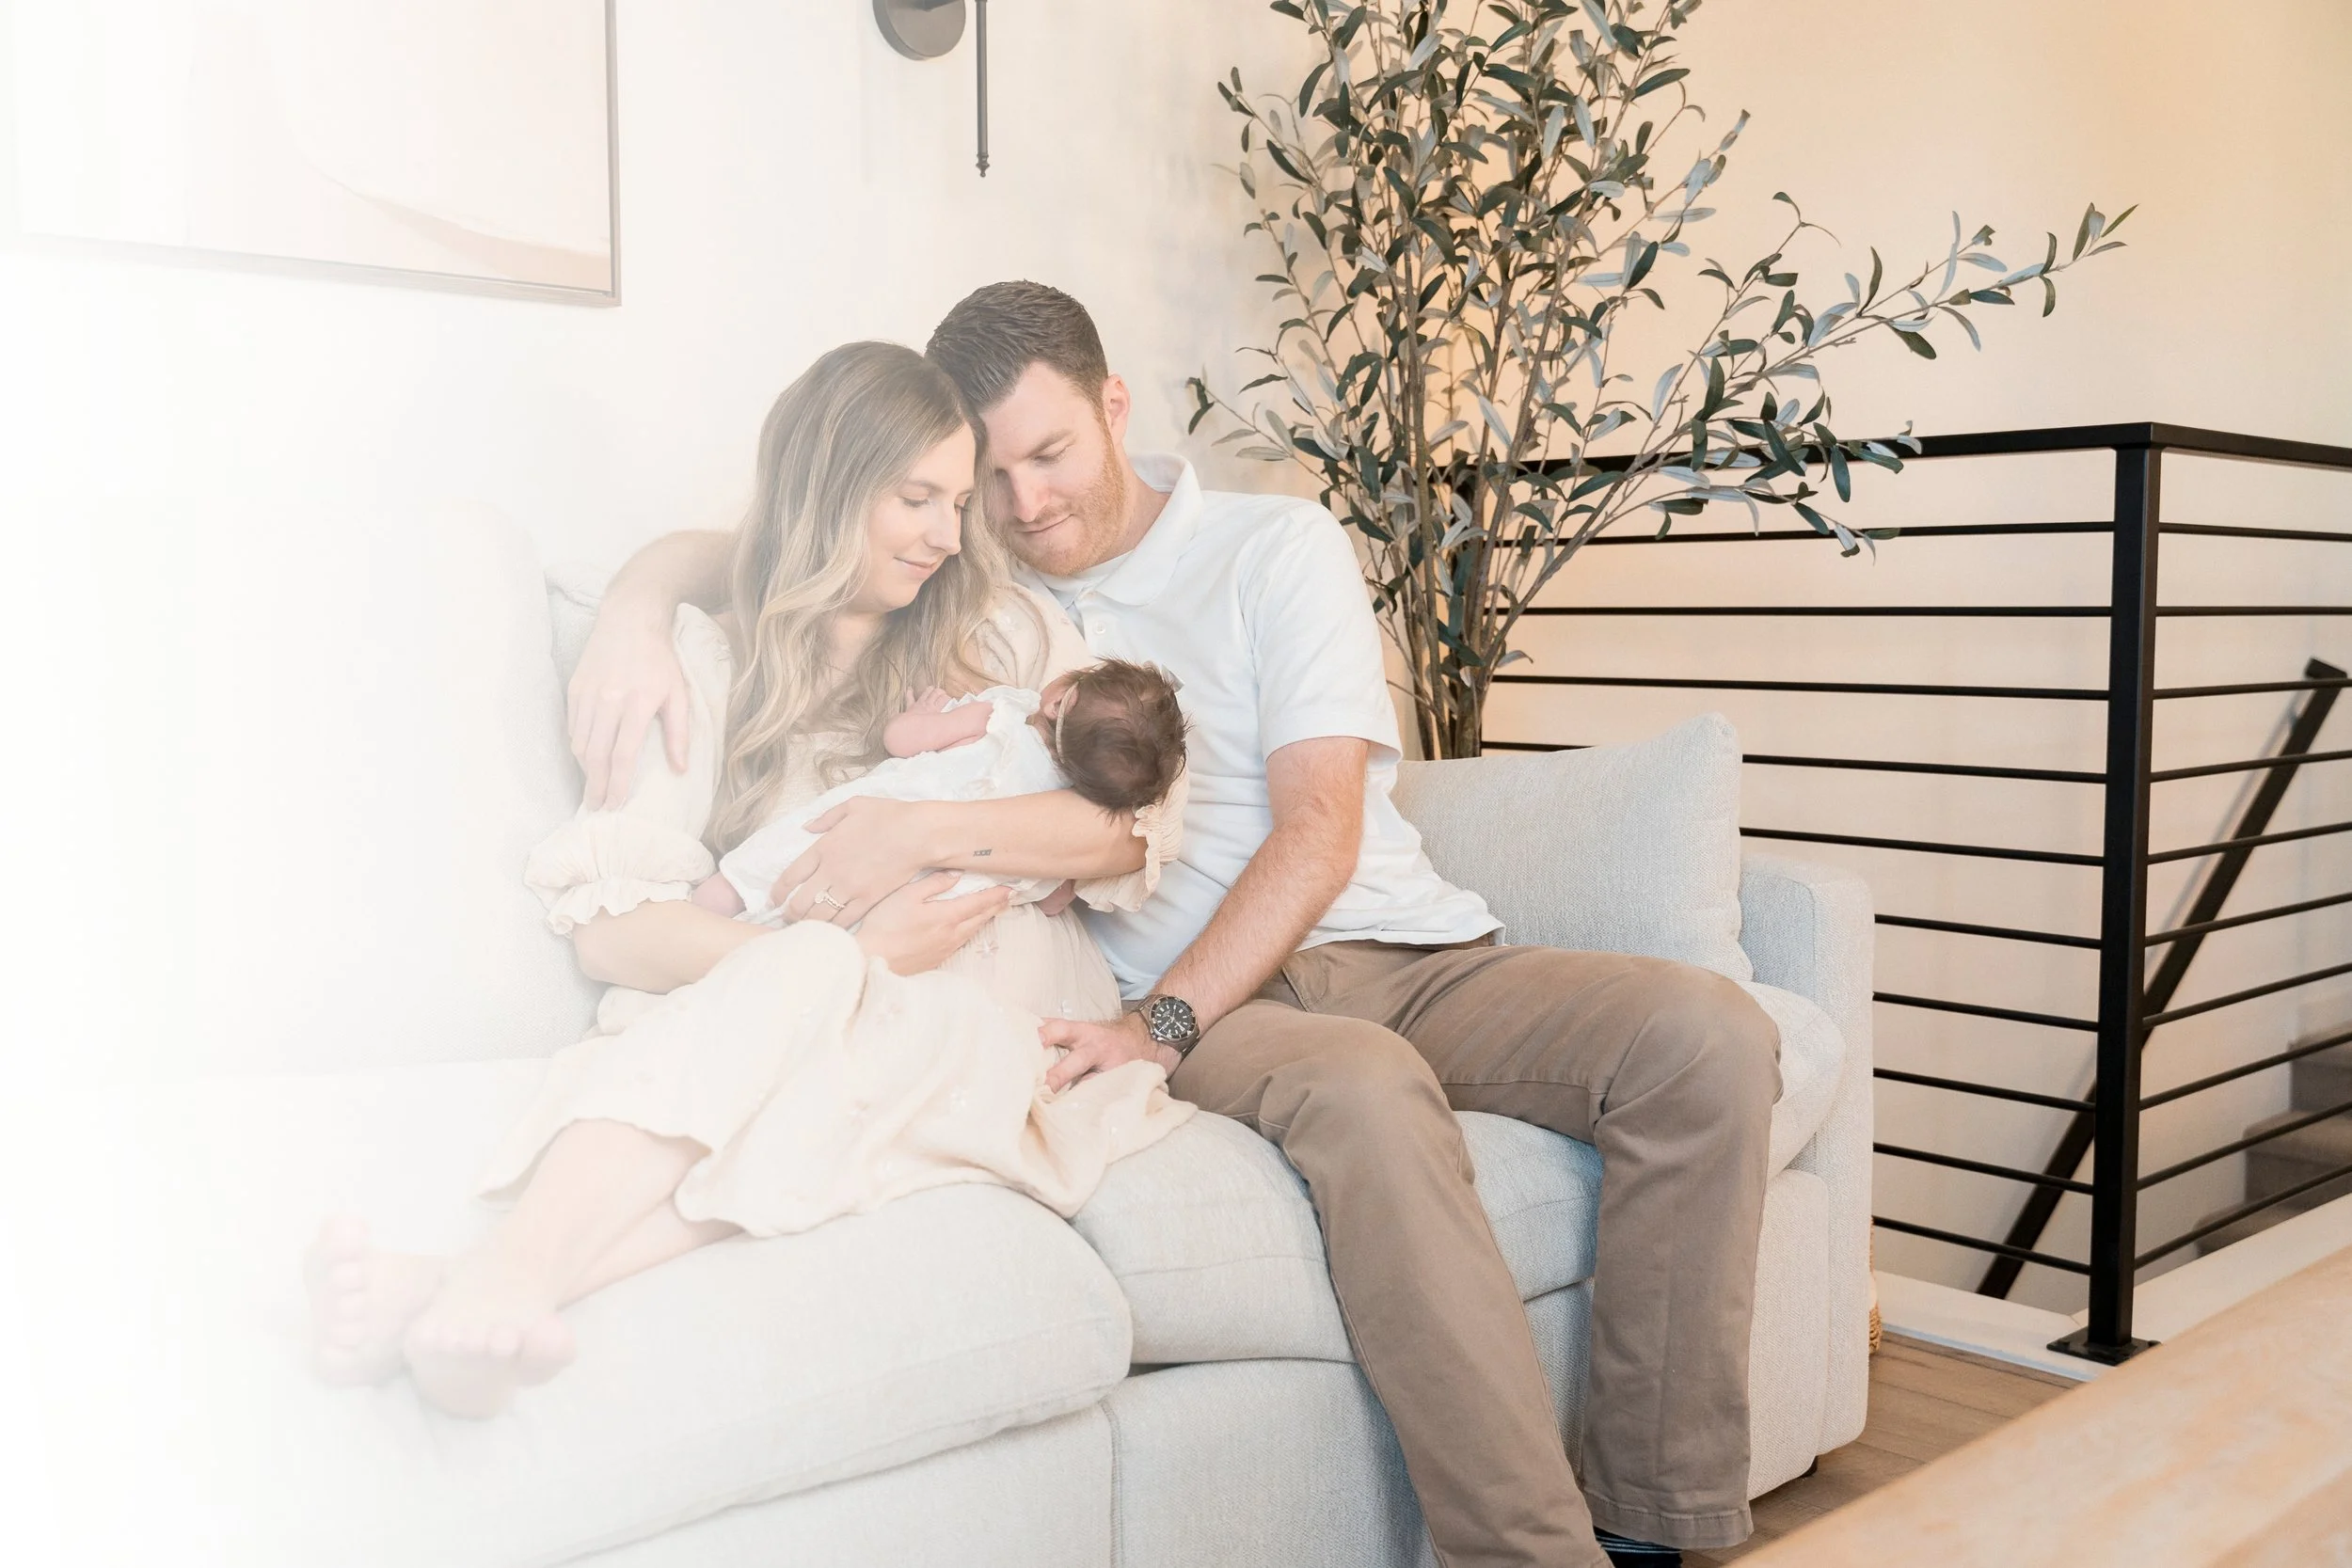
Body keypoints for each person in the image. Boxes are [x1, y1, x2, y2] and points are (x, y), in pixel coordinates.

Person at [566, 286, 1782, 1568]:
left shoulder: (1273, 546)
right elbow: (791, 533)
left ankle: (1649, 1519)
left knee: (1706, 1035)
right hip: (1219, 1011)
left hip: (1408, 949)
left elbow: (1321, 827)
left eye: (1052, 454)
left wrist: (1161, 1015)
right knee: (1366, 1090)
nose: (1027, 502)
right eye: (992, 477)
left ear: (1114, 407)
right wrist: (633, 610)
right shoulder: (984, 598)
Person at [304, 341, 1191, 1422]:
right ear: (828, 485)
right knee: (806, 1007)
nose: (947, 535)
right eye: (915, 498)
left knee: (809, 1012)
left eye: (958, 502)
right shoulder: (707, 661)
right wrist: (849, 958)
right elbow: (613, 929)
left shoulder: (1001, 633)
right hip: (844, 1020)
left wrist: (917, 831)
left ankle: (482, 1280)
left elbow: (1125, 825)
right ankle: (486, 1297)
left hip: (1009, 1042)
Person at [699, 657, 1188, 924]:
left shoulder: (1000, 718)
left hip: (877, 822)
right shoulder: (1064, 819)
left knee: (781, 856)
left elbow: (901, 741)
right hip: (919, 901)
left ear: (1060, 701)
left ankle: (708, 906)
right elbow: (1051, 902)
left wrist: (924, 714)